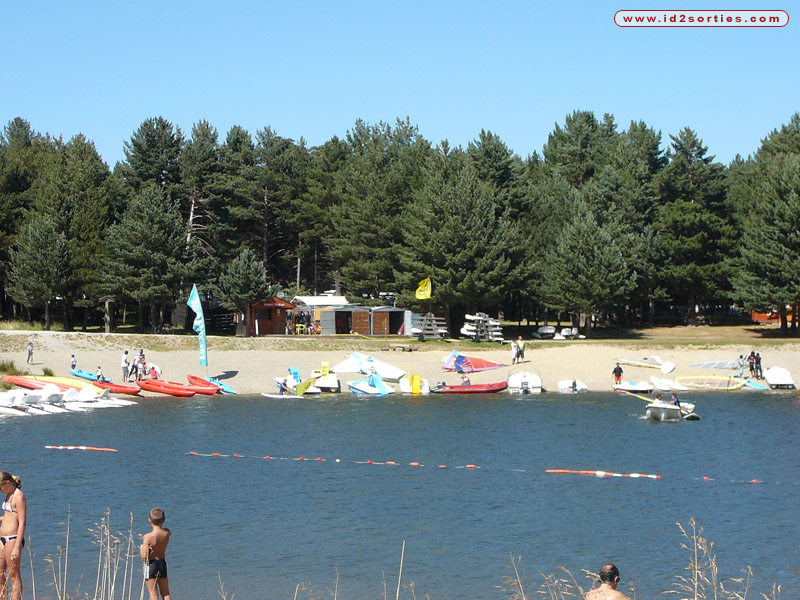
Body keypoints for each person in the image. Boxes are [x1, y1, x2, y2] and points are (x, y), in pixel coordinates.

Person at [0, 472, 27, 600]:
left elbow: (22, 523)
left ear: (8, 483)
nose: (0, 490)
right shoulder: (8, 494)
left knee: (13, 575)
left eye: (0, 487)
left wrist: (17, 546)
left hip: (13, 538)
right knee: (0, 573)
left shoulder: (19, 496)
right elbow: (9, 516)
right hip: (2, 539)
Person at [140, 507, 172, 600]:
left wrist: (141, 548)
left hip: (150, 564)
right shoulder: (167, 533)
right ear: (164, 520)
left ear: (149, 520)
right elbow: (169, 532)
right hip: (162, 563)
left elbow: (144, 555)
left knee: (153, 594)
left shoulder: (148, 537)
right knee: (166, 593)